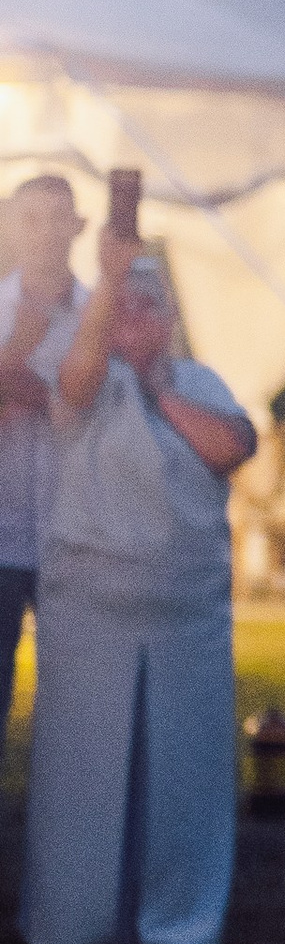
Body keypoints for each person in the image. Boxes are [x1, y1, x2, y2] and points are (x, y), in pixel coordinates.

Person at [22, 234, 255, 944]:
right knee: (81, 771)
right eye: (118, 306)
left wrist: (160, 388)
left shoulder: (200, 382)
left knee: (183, 772)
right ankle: (73, 924)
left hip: (187, 607)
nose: (134, 318)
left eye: (147, 306)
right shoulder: (81, 376)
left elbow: (231, 446)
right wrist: (108, 292)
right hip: (91, 604)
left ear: (171, 316)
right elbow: (76, 384)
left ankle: (179, 924)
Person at [0, 173, 85, 757]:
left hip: (75, 534)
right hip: (0, 535)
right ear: (11, 224)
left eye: (58, 217)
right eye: (32, 217)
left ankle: (70, 811)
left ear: (78, 226)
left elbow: (96, 407)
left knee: (78, 697)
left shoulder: (101, 313)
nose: (46, 231)